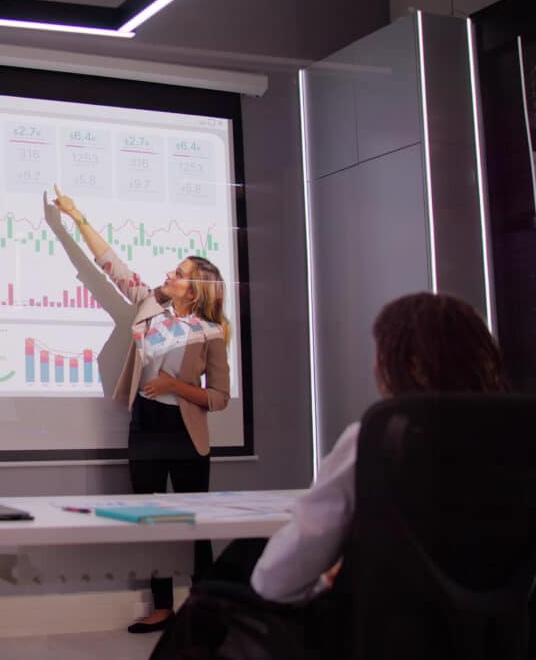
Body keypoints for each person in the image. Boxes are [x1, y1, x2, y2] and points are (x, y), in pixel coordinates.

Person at [47, 185, 231, 633]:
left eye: (180, 272)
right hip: (145, 426)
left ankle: (203, 613)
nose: (170, 273)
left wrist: (175, 385)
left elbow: (220, 398)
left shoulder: (210, 332)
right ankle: (163, 608)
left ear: (195, 290)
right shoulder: (148, 303)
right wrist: (75, 215)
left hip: (185, 431)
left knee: (193, 523)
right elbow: (107, 263)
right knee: (150, 521)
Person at [250, 291, 510, 602]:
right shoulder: (514, 442)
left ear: (410, 365)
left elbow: (275, 580)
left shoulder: (379, 440)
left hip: (391, 632)